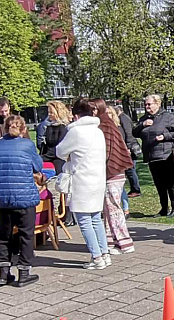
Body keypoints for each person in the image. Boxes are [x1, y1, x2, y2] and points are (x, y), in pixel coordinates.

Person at [0, 115, 43, 287]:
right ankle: (24, 272)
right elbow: (38, 166)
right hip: (23, 196)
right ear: (24, 129)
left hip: (1, 197)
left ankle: (3, 274)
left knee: (3, 235)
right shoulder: (26, 145)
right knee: (26, 234)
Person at [56, 98, 110, 269]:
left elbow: (60, 151)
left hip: (82, 181)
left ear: (76, 115)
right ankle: (104, 253)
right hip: (97, 180)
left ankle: (96, 257)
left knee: (85, 221)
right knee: (96, 219)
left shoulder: (76, 132)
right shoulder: (97, 131)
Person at [95, 99, 134, 255]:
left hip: (112, 172)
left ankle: (124, 242)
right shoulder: (106, 125)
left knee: (114, 208)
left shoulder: (105, 126)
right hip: (112, 172)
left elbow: (107, 152)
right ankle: (111, 240)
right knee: (108, 208)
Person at [134, 95, 174, 217]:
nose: (147, 107)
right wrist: (142, 125)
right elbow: (135, 132)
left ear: (157, 104)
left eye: (149, 104)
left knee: (170, 183)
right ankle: (163, 209)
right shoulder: (144, 119)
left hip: (166, 154)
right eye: (145, 104)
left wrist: (164, 137)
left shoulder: (167, 117)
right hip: (151, 156)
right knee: (159, 184)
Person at [114, 105, 142, 198]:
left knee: (131, 169)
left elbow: (129, 133)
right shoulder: (124, 118)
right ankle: (134, 188)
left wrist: (128, 147)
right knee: (130, 169)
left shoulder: (123, 119)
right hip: (130, 146)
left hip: (130, 147)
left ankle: (136, 189)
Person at [41, 100, 71, 175]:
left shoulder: (63, 128)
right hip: (49, 156)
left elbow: (59, 147)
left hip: (59, 158)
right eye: (48, 112)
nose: (49, 114)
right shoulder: (48, 127)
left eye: (51, 112)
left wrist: (44, 158)